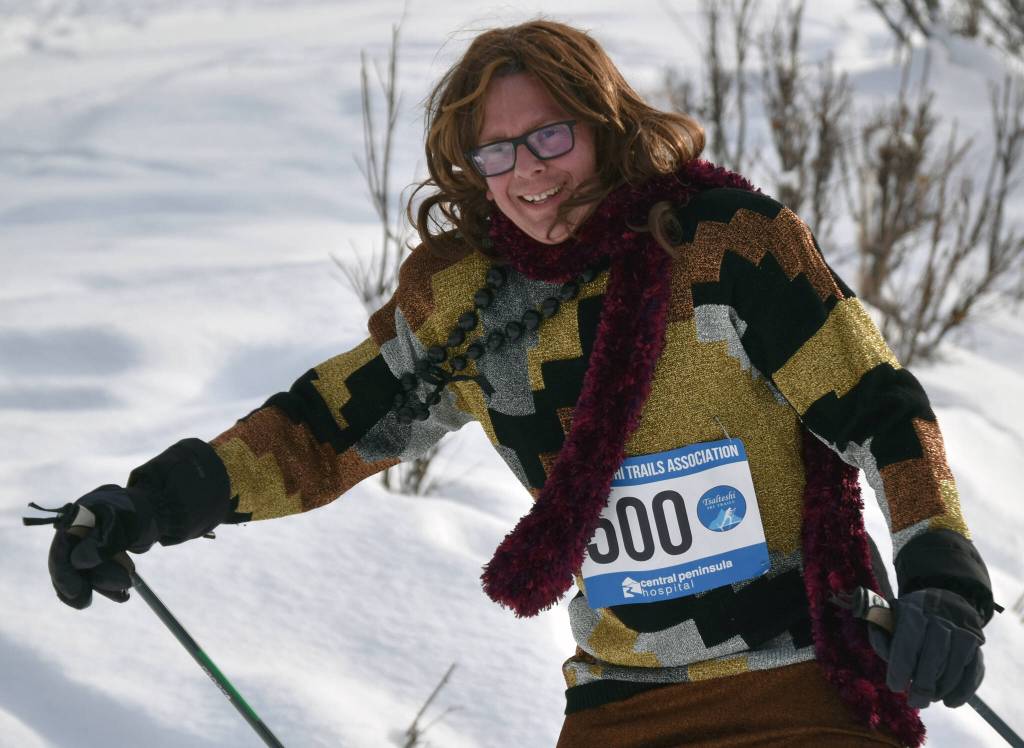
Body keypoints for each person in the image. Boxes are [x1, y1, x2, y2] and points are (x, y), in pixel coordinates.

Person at [43, 19, 995, 747]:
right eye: (494, 152)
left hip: (803, 686)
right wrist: (148, 505)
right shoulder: (472, 304)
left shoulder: (720, 247)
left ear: (606, 124)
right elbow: (321, 431)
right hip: (619, 707)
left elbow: (881, 409)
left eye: (549, 136)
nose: (525, 173)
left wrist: (942, 575)